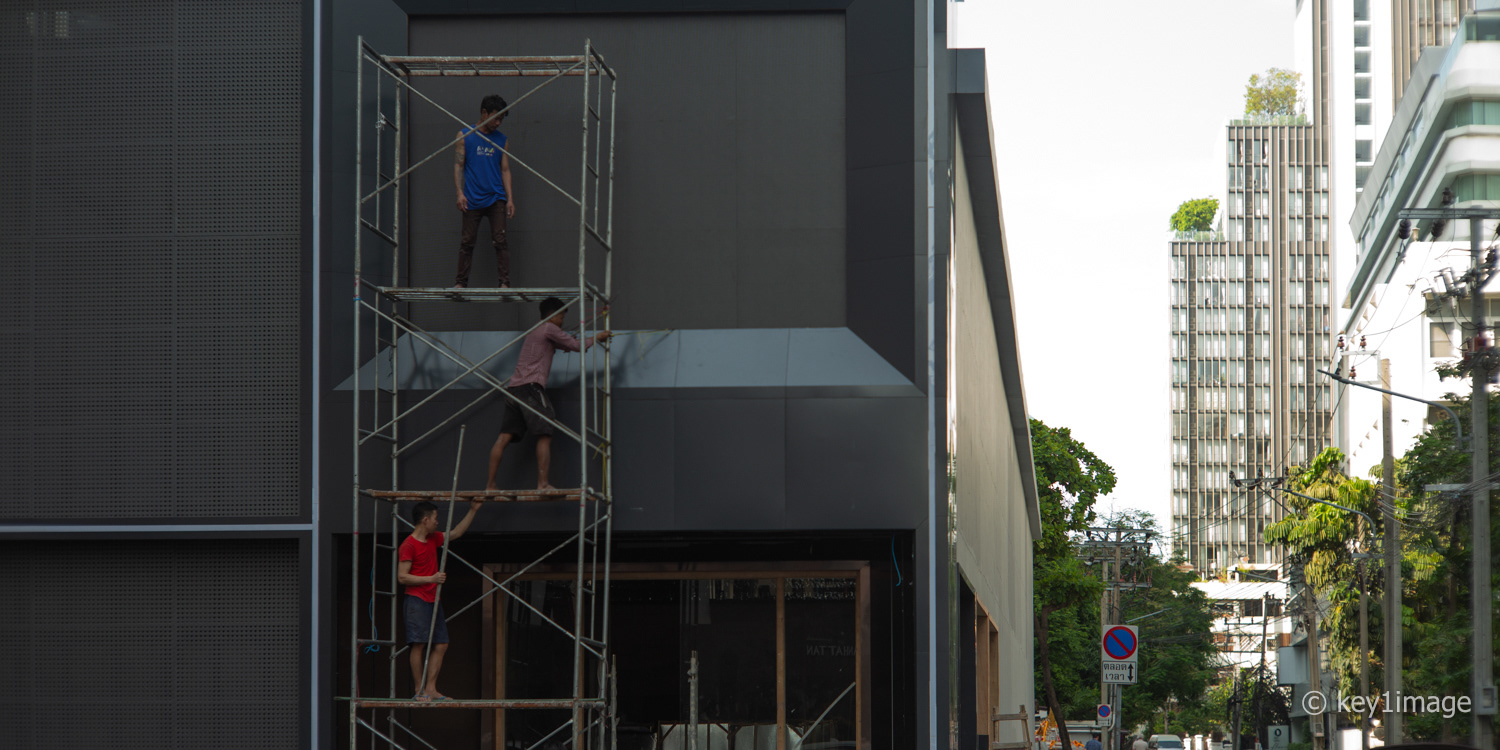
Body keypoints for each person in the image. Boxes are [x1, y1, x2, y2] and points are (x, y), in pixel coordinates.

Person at [486, 297, 610, 492]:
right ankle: (543, 484)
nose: (562, 321)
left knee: (504, 437)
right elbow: (576, 346)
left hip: (514, 389)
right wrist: (597, 337)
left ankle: (490, 485)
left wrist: (573, 343)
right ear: (553, 315)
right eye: (561, 317)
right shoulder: (549, 328)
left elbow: (567, 345)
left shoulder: (536, 329)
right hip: (531, 388)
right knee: (545, 432)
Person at [398, 498, 483, 701]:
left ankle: (431, 688)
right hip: (417, 600)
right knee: (418, 644)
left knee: (442, 643)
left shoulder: (433, 539)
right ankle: (419, 690)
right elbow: (402, 577)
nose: (438, 522)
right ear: (425, 520)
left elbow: (456, 533)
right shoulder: (408, 545)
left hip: (432, 599)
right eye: (435, 518)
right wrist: (431, 578)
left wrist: (473, 510)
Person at [453, 94, 515, 289]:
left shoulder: (501, 140)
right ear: (484, 113)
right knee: (467, 241)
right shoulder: (465, 135)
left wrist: (510, 199)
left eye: (501, 119)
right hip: (472, 197)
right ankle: (460, 283)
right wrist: (459, 193)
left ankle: (504, 283)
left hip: (496, 197)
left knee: (500, 240)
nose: (498, 123)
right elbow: (458, 165)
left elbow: (505, 170)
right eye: (495, 118)